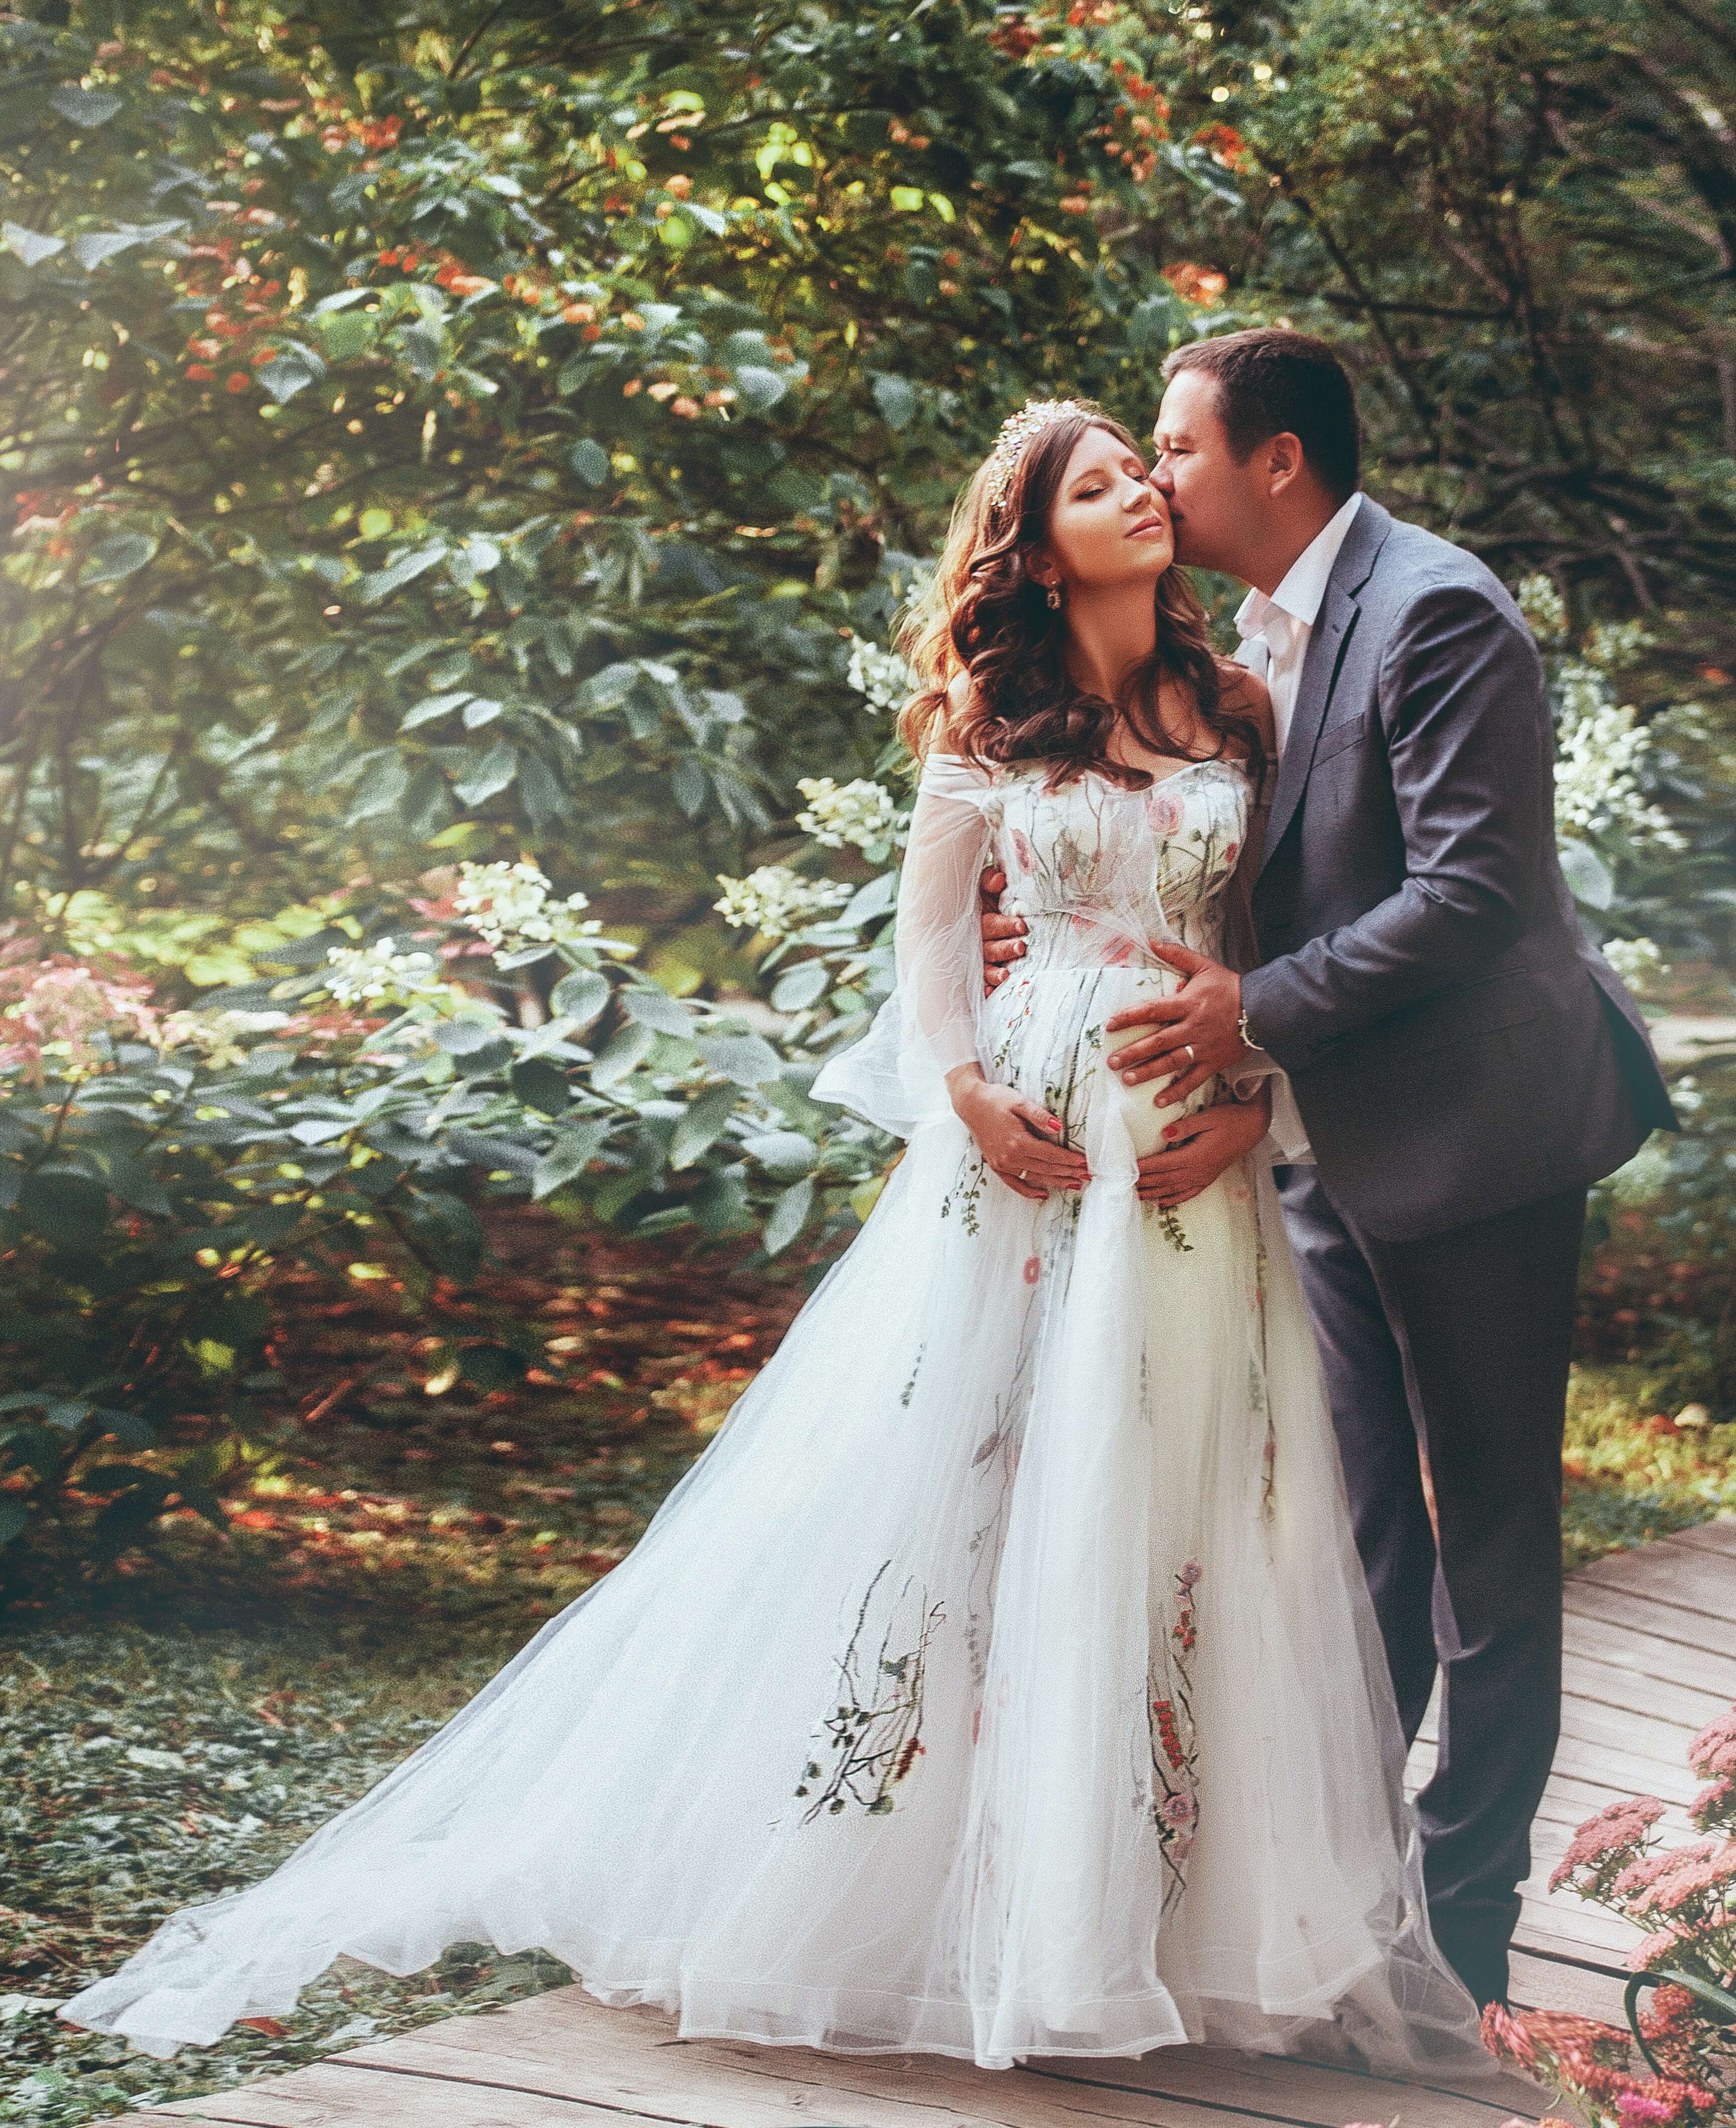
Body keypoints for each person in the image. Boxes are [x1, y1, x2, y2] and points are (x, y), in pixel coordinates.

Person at [62, 401, 1495, 2086]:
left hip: (1187, 1153)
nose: (1139, 496)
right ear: (1036, 547)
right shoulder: (987, 715)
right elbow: (929, 946)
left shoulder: (1236, 705)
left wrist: (1254, 1100)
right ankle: (957, 1895)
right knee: (978, 1480)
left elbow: (1273, 939)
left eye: (1142, 469)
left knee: (1184, 1493)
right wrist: (965, 1095)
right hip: (1026, 1141)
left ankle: (1171, 1915)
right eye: (1098, 483)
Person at [978, 332, 1677, 2011]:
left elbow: (1470, 892)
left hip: (1477, 1135)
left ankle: (1465, 1934)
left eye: (1175, 448)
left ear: (1275, 460)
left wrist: (1250, 1018)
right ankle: (1344, 1911)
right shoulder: (1240, 646)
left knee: (1486, 1545)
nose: (1156, 476)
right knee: (1357, 1536)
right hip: (1314, 1145)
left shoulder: (1436, 610)